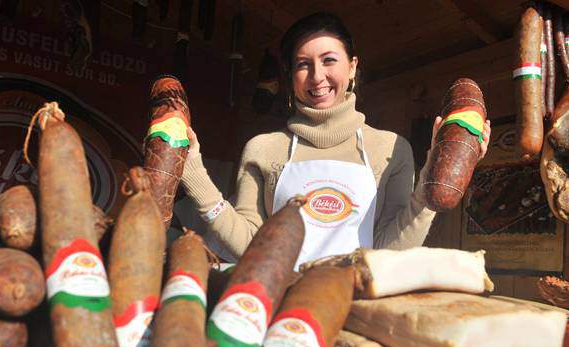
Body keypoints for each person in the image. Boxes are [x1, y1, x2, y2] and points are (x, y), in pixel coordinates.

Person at [180, 12, 491, 268]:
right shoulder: (262, 149)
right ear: (291, 76)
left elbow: (390, 251)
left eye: (329, 60)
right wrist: (194, 175)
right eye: (303, 64)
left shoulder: (392, 149)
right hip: (278, 304)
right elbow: (250, 245)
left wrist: (430, 182)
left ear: (352, 67)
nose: (317, 76)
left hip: (358, 305)